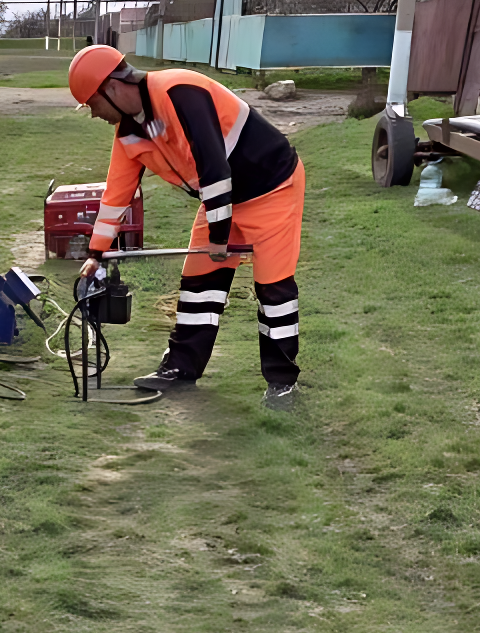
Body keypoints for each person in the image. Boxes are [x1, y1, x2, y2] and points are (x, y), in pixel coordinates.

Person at [68, 44, 304, 406]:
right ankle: (180, 368)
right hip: (221, 199)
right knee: (199, 283)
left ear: (110, 88)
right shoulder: (130, 132)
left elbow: (214, 166)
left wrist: (220, 236)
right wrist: (96, 254)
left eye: (92, 105)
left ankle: (282, 383)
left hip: (272, 187)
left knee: (274, 289)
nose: (94, 114)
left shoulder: (180, 91)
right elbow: (116, 195)